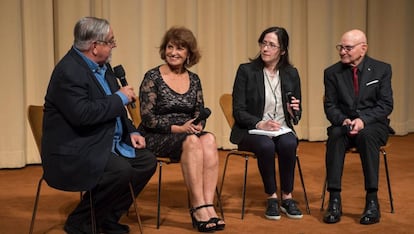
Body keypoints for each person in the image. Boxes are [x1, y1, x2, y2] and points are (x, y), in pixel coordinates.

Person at [41, 16, 157, 234]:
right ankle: (79, 221)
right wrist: (120, 98)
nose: (114, 46)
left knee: (146, 162)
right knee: (120, 171)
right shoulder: (69, 72)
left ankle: (106, 217)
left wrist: (131, 130)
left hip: (102, 140)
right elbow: (82, 115)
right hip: (76, 147)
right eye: (111, 41)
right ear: (95, 46)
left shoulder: (103, 66)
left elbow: (114, 109)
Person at [138, 26, 225, 232]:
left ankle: (208, 205)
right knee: (193, 142)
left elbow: (198, 112)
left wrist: (198, 125)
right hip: (158, 134)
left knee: (210, 139)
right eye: (170, 47)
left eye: (180, 48)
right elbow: (148, 119)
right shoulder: (153, 77)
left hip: (187, 132)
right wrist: (179, 129)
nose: (173, 53)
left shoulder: (194, 79)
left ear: (188, 54)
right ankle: (197, 207)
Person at [231, 26, 303, 220]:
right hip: (251, 131)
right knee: (266, 145)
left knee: (289, 143)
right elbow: (238, 110)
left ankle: (287, 197)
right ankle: (271, 197)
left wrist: (293, 111)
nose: (265, 48)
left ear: (283, 50)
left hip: (281, 128)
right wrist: (259, 123)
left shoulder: (291, 74)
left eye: (272, 45)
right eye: (263, 43)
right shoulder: (246, 71)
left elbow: (297, 113)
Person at [323, 29, 393, 225]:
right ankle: (334, 200)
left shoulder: (382, 69)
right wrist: (343, 120)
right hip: (344, 123)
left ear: (363, 48)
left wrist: (363, 120)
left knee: (366, 136)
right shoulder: (331, 73)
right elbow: (330, 105)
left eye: (348, 48)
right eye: (341, 47)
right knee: (335, 135)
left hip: (373, 125)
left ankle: (372, 201)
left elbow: (386, 104)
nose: (343, 51)